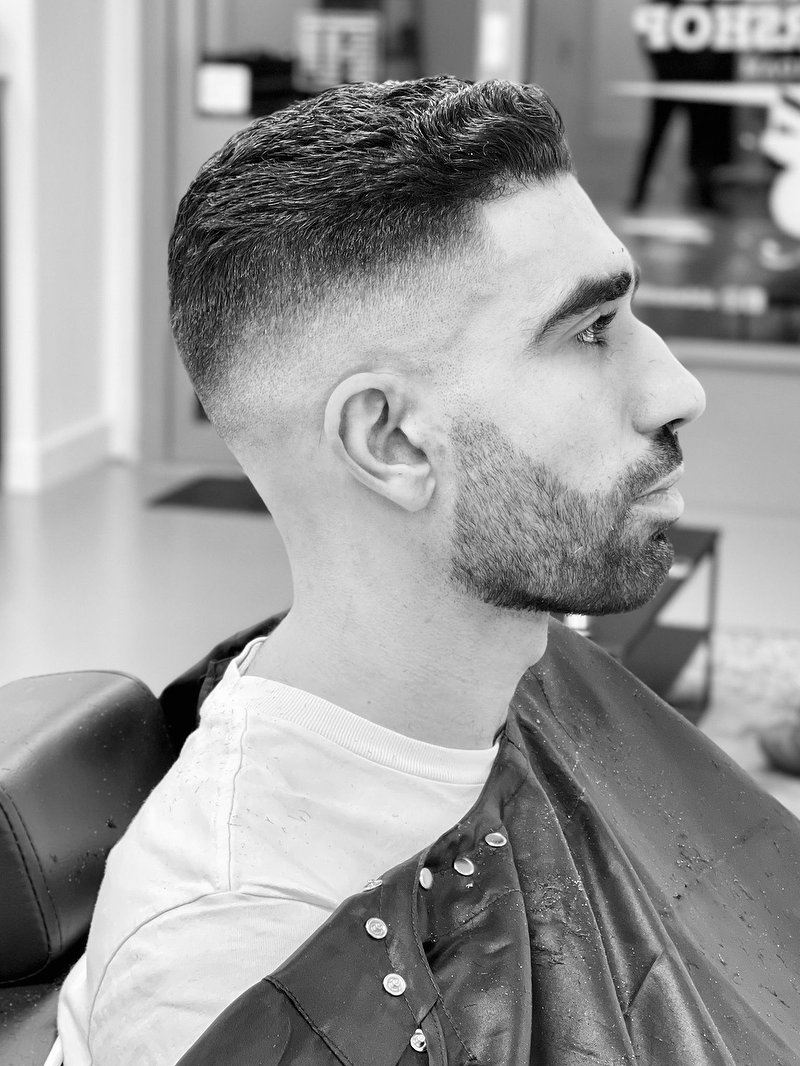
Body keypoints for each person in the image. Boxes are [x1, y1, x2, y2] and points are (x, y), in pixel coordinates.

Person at [55, 76, 800, 1066]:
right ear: (392, 441)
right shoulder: (247, 959)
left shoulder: (520, 693)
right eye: (589, 331)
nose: (677, 388)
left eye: (631, 314)